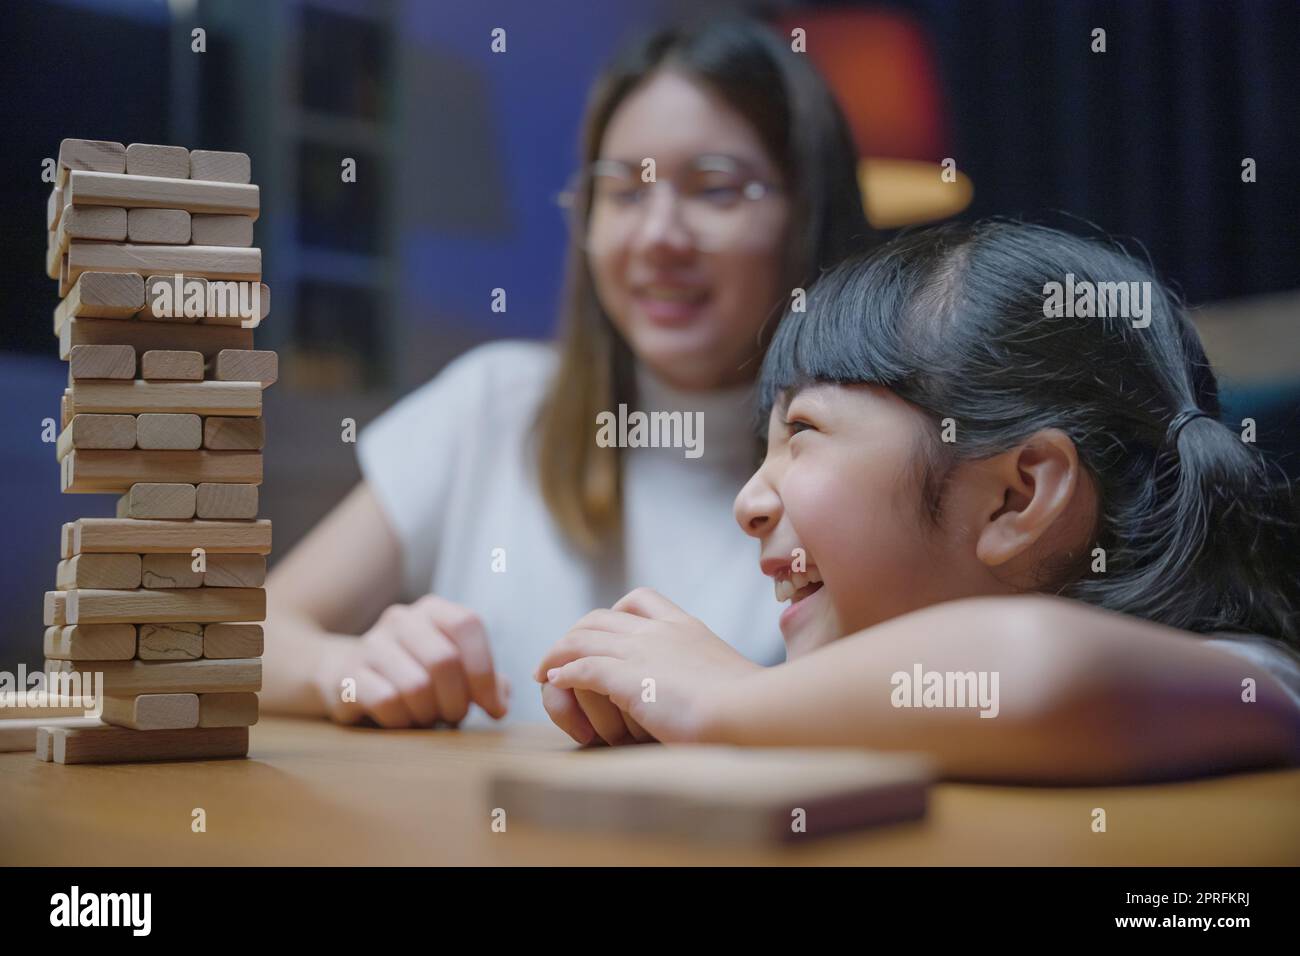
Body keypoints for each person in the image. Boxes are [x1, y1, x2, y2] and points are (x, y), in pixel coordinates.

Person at [261, 16, 873, 727]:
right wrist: (344, 668)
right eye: (624, 191)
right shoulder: (497, 403)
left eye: (714, 188)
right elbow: (253, 636)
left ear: (808, 212)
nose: (657, 237)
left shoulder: (870, 473)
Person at [536, 220, 1300, 783]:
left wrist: (728, 700)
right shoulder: (837, 710)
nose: (748, 501)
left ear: (1018, 495)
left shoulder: (1249, 680)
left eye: (802, 431)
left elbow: (1036, 668)